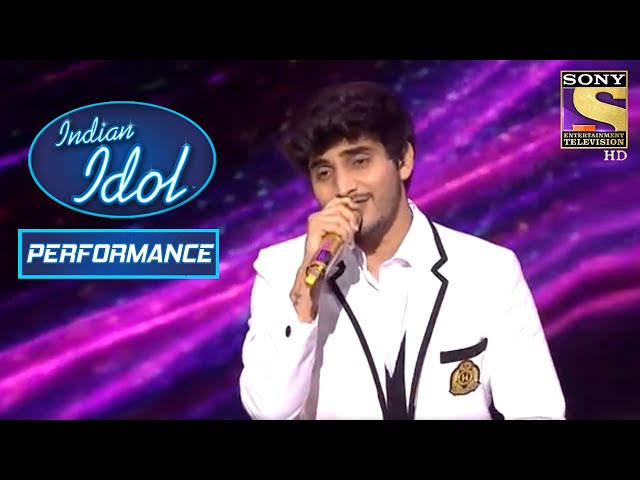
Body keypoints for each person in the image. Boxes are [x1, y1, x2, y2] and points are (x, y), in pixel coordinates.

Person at [238, 80, 566, 420]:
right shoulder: (282, 270)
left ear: (403, 160)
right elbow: (270, 412)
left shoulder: (487, 270)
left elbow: (537, 411)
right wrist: (305, 297)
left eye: (359, 161)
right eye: (324, 172)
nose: (343, 187)